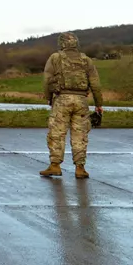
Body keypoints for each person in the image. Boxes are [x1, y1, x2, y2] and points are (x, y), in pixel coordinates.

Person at [40, 33, 103, 179]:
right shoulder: (86, 60)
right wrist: (99, 105)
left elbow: (47, 80)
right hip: (81, 100)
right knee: (80, 135)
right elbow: (95, 84)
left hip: (62, 99)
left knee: (57, 133)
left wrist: (49, 98)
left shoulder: (55, 58)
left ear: (61, 44)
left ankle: (55, 166)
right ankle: (80, 168)